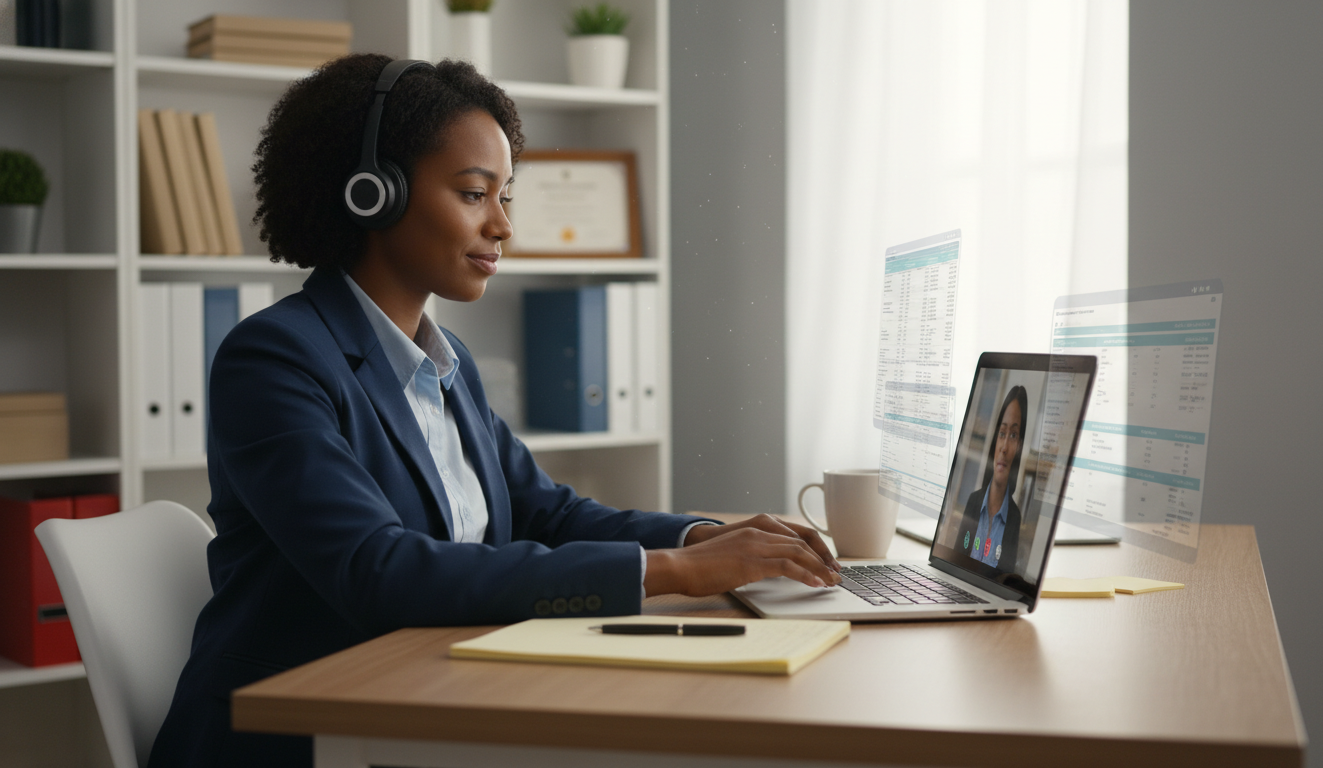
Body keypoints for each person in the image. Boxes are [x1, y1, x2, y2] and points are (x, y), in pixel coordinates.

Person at [147, 55, 840, 768]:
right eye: (475, 194)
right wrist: (670, 570)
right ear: (373, 193)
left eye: (505, 196)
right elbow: (377, 570)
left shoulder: (447, 362)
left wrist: (703, 538)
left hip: (432, 694)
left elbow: (547, 513)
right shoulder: (275, 359)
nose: (503, 225)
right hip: (300, 735)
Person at [953, 385, 1028, 572]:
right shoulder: (973, 501)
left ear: (1019, 446)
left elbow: (1005, 579)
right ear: (995, 440)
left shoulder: (1014, 518)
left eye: (1013, 436)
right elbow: (955, 563)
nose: (1004, 447)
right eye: (1002, 434)